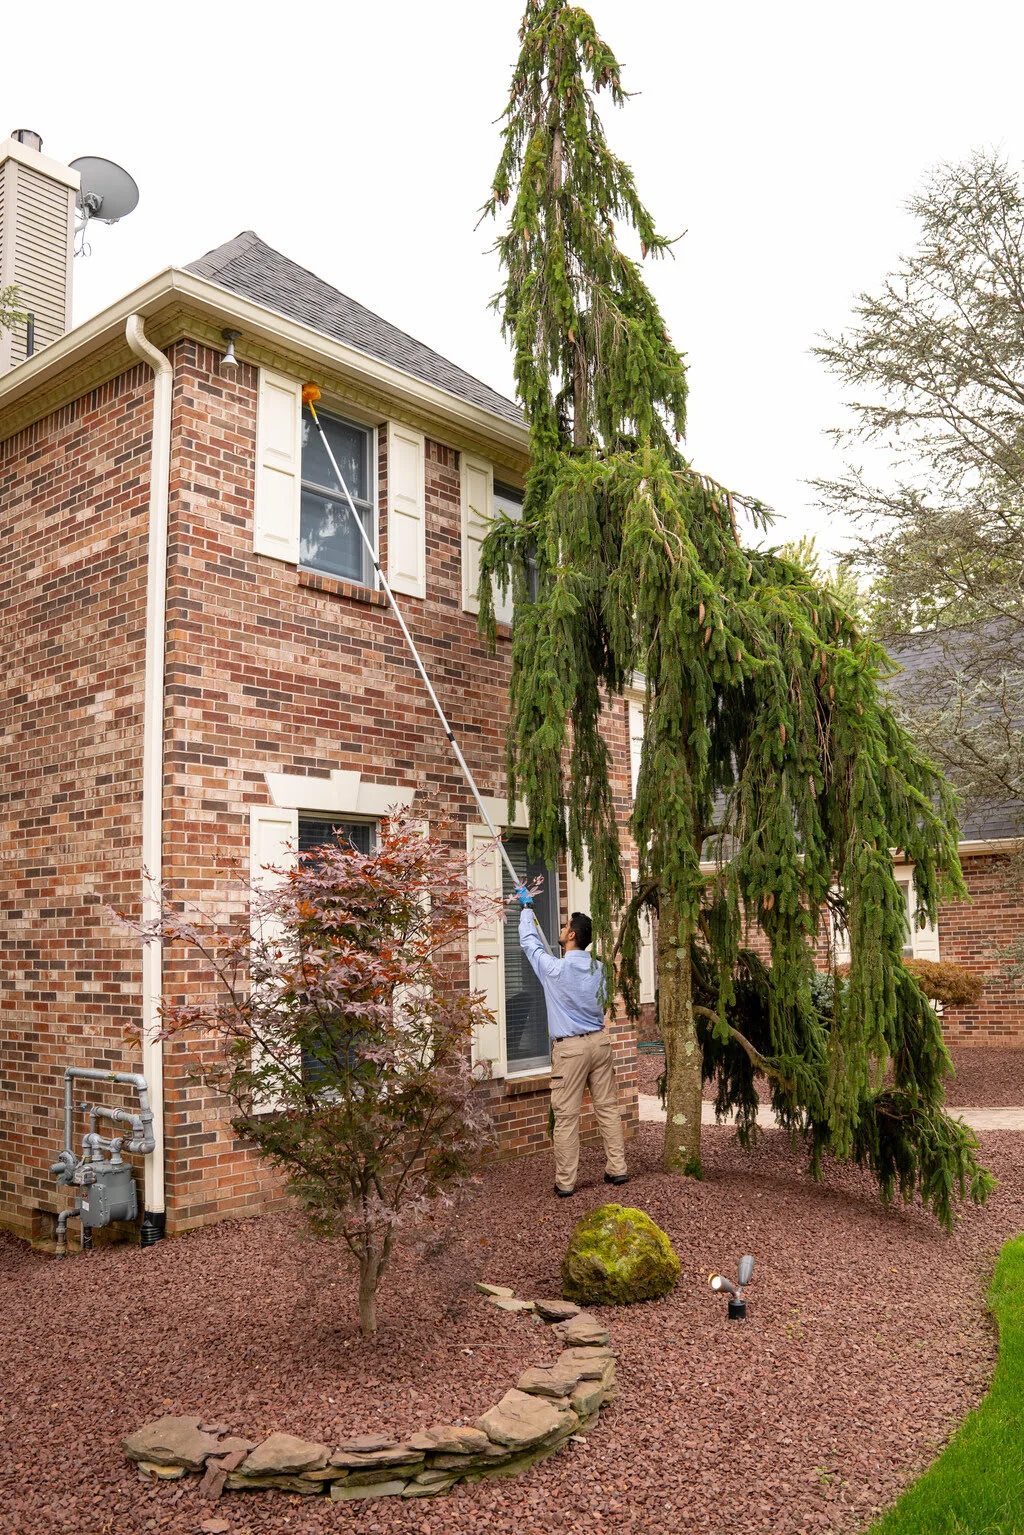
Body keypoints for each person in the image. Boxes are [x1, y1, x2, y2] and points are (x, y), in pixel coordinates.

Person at [516, 886, 628, 1198]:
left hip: (571, 1051)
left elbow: (529, 944)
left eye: (566, 926)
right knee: (607, 1107)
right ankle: (617, 1169)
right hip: (600, 1044)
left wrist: (526, 910)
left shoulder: (554, 969)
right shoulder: (600, 969)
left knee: (565, 1118)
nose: (562, 929)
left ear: (573, 935)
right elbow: (602, 1002)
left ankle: (565, 1182)